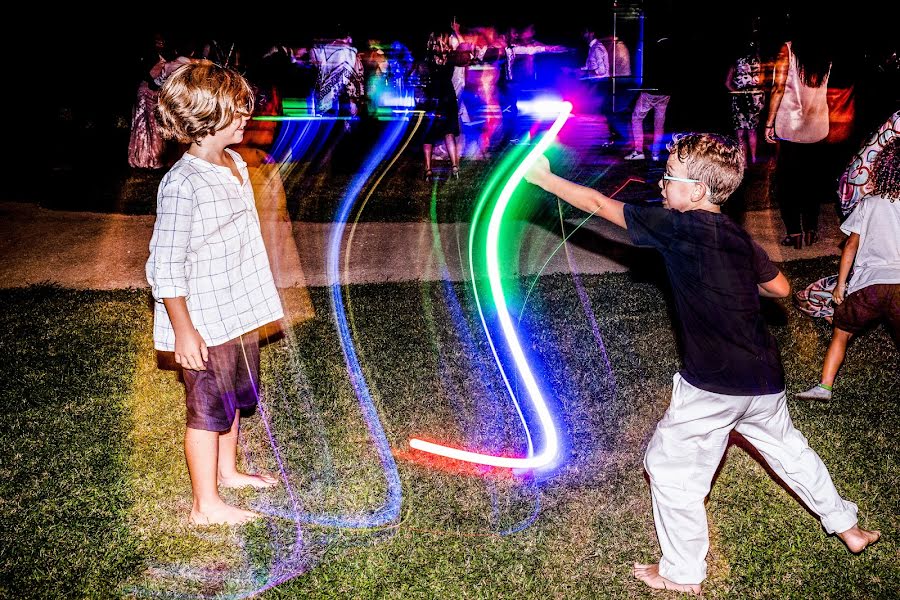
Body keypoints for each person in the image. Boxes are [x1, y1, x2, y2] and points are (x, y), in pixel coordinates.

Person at [524, 132, 880, 595]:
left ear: (695, 192)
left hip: (712, 387)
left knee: (670, 471)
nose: (661, 186)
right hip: (764, 381)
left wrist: (544, 178)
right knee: (791, 453)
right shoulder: (736, 236)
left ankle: (681, 572)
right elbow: (781, 289)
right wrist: (727, 285)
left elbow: (596, 203)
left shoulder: (678, 226)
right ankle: (847, 526)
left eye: (668, 178)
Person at [147, 61, 284, 526]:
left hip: (238, 310)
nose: (248, 117)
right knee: (207, 410)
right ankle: (205, 505)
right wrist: (184, 332)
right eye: (238, 112)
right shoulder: (182, 185)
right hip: (204, 321)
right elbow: (164, 265)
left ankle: (227, 472)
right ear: (205, 121)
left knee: (232, 399)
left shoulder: (234, 163)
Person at [796, 137, 900, 400]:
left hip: (869, 287)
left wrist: (841, 285)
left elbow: (850, 246)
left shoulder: (869, 203)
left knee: (841, 335)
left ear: (881, 168)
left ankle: (824, 387)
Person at [764, 28, 832, 249]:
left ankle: (794, 233)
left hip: (792, 127)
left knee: (788, 183)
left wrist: (769, 122)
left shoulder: (788, 49)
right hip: (818, 126)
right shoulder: (824, 53)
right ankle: (811, 230)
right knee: (812, 181)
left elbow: (778, 88)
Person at [725, 39, 766, 165]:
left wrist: (738, 91)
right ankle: (753, 159)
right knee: (752, 130)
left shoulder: (735, 61)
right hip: (755, 99)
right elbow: (761, 81)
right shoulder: (759, 62)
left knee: (740, 132)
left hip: (739, 98)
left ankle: (744, 163)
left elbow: (727, 83)